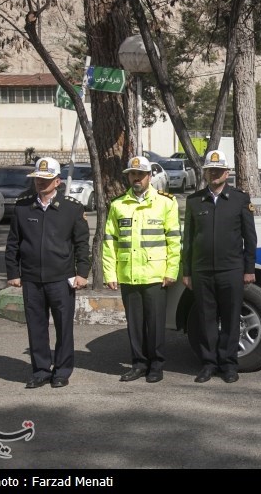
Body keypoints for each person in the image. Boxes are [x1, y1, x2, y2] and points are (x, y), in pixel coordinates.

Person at [5, 157, 91, 389]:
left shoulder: (72, 208)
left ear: (57, 182)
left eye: (46, 179)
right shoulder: (23, 207)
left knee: (64, 327)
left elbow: (82, 243)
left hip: (62, 279)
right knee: (36, 326)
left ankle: (62, 371)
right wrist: (13, 271)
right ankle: (41, 370)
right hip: (32, 279)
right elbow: (13, 242)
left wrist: (82, 272)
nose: (41, 183)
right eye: (37, 179)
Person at [102, 155, 181, 384]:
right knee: (134, 325)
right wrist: (110, 273)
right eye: (132, 174)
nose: (136, 178)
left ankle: (156, 365)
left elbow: (174, 239)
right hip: (129, 274)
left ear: (149, 176)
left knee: (155, 324)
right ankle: (138, 364)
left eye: (141, 174)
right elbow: (109, 241)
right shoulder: (118, 205)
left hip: (156, 274)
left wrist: (171, 271)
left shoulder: (166, 202)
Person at [182, 149, 257, 384]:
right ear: (205, 173)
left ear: (227, 173)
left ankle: (229, 364)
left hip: (231, 269)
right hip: (202, 271)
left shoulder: (240, 199)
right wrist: (187, 272)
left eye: (218, 170)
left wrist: (249, 269)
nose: (214, 173)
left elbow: (250, 237)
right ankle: (208, 364)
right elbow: (188, 239)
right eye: (210, 170)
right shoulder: (194, 201)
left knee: (232, 318)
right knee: (206, 319)